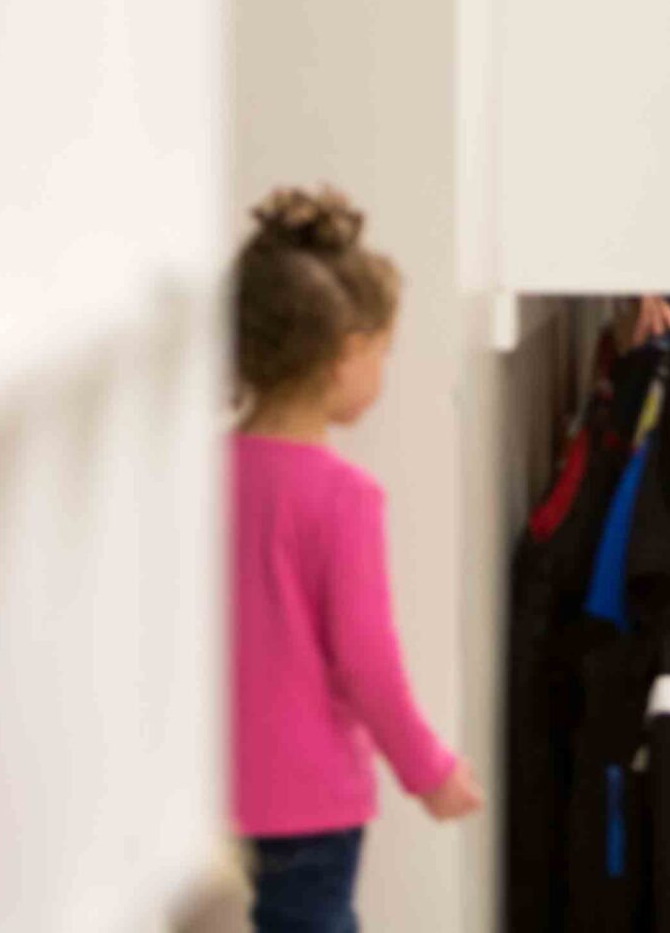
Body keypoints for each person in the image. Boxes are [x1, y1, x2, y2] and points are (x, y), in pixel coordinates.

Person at [228, 187, 483, 933]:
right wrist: (428, 770)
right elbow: (366, 660)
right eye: (383, 351)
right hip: (309, 805)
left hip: (204, 797)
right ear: (346, 358)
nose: (384, 369)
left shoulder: (199, 474)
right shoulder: (342, 497)